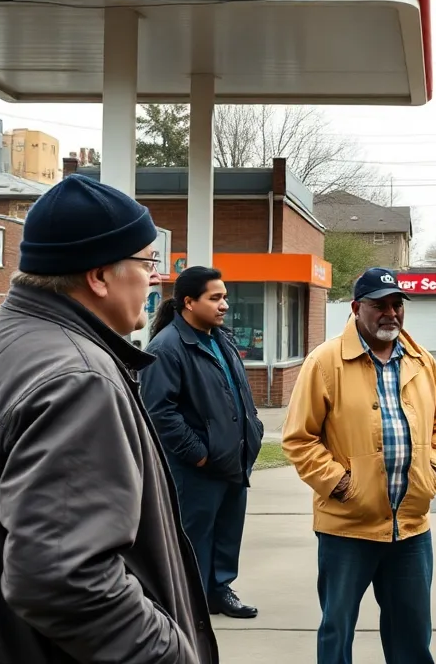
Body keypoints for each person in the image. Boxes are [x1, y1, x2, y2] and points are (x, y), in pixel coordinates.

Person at [0, 174, 216, 664]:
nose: (155, 279)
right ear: (100, 276)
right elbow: (64, 579)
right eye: (147, 263)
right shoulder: (77, 379)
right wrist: (170, 655)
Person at [283, 267, 436, 664]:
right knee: (337, 629)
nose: (391, 313)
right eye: (380, 305)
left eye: (397, 304)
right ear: (357, 308)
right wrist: (342, 484)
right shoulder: (325, 362)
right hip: (347, 526)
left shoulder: (421, 361)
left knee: (411, 634)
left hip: (411, 527)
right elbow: (299, 437)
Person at [143, 266, 264, 620]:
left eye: (224, 297)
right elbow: (159, 411)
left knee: (227, 532)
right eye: (216, 298)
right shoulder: (166, 348)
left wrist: (252, 430)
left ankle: (219, 591)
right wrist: (197, 455)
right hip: (197, 467)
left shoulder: (220, 338)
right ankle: (191, 600)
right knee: (195, 538)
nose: (224, 304)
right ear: (189, 302)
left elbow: (239, 394)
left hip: (232, 460)